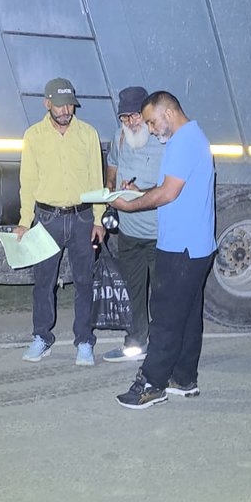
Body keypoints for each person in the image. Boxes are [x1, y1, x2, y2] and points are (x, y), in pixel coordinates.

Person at [109, 91, 215, 408]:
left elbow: (168, 193)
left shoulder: (183, 141)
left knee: (166, 318)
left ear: (168, 113)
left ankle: (151, 384)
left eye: (153, 122)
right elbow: (173, 186)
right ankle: (184, 379)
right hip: (195, 246)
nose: (152, 129)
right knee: (187, 315)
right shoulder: (191, 137)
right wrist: (140, 192)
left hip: (180, 247)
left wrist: (130, 206)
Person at [15, 77, 106, 366]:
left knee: (84, 281)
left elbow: (97, 180)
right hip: (46, 219)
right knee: (43, 282)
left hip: (81, 219)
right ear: (47, 104)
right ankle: (42, 336)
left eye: (70, 105)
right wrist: (24, 221)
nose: (66, 110)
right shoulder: (33, 135)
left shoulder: (88, 134)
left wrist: (99, 218)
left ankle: (84, 341)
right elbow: (27, 181)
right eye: (60, 105)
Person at [101, 86, 166, 363]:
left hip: (159, 234)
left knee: (162, 294)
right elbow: (113, 164)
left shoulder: (163, 141)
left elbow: (170, 187)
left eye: (135, 116)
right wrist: (110, 187)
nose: (130, 123)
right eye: (124, 117)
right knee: (133, 291)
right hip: (128, 233)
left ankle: (163, 348)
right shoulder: (120, 138)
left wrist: (140, 191)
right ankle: (135, 343)